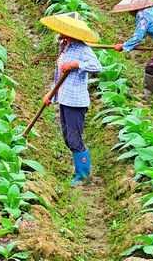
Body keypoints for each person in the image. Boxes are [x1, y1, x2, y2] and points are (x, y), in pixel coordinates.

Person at [41, 12, 102, 185]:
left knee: (74, 138)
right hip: (63, 97)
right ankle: (80, 171)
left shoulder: (82, 49)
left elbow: (97, 67)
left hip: (75, 100)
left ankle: (83, 176)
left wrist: (76, 64)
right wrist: (50, 94)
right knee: (67, 137)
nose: (60, 33)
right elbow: (58, 75)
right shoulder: (64, 46)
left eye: (64, 30)